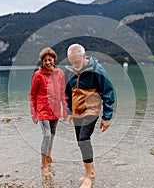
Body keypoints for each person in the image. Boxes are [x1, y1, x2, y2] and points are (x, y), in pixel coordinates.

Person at [65, 43, 115, 188]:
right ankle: (91, 170)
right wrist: (69, 111)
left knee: (84, 139)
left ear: (84, 56)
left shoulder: (97, 69)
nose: (74, 64)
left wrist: (106, 117)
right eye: (72, 62)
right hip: (77, 110)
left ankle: (88, 175)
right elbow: (68, 93)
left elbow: (108, 92)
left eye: (77, 61)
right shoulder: (70, 71)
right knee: (80, 142)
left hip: (92, 109)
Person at [29, 47, 67, 177]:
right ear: (42, 62)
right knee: (46, 136)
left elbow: (63, 93)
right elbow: (32, 95)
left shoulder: (60, 73)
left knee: (53, 133)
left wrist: (65, 111)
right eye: (45, 60)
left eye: (49, 59)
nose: (48, 62)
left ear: (54, 60)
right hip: (42, 110)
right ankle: (43, 166)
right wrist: (33, 114)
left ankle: (49, 157)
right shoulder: (38, 75)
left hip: (55, 110)